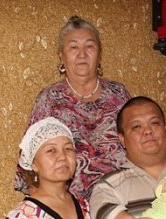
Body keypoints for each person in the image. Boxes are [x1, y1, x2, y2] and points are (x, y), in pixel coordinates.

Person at [14, 16, 131, 198]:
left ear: (99, 54)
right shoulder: (50, 100)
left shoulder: (119, 94)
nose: (82, 54)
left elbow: (138, 145)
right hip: (72, 205)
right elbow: (28, 164)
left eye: (89, 46)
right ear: (61, 56)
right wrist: (49, 206)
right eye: (73, 47)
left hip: (124, 197)